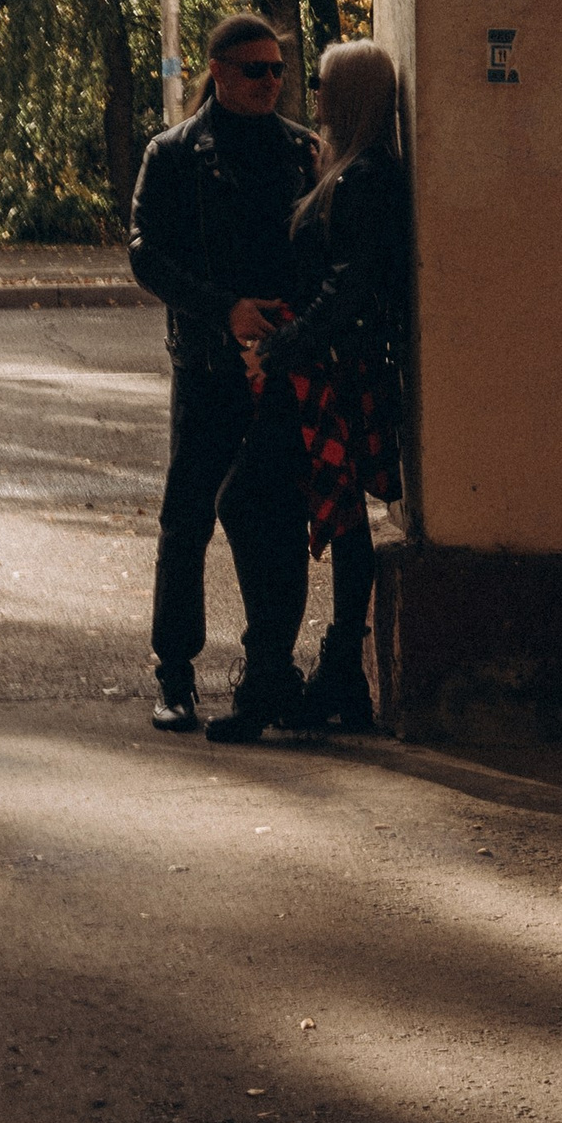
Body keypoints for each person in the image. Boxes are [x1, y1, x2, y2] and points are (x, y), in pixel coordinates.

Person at [206, 36, 411, 743]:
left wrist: (279, 347)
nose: (310, 92)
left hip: (326, 370)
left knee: (249, 499)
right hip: (331, 364)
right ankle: (332, 674)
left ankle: (281, 675)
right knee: (340, 517)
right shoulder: (350, 169)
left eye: (322, 82)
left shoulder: (364, 178)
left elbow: (348, 290)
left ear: (350, 94)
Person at [125, 13, 317, 732]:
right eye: (253, 70)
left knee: (274, 514)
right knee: (187, 516)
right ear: (216, 71)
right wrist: (224, 310)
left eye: (277, 69)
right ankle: (174, 673)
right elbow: (146, 253)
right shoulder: (174, 153)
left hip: (281, 363)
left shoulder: (302, 150)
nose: (270, 81)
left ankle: (270, 667)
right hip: (208, 363)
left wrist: (290, 326)